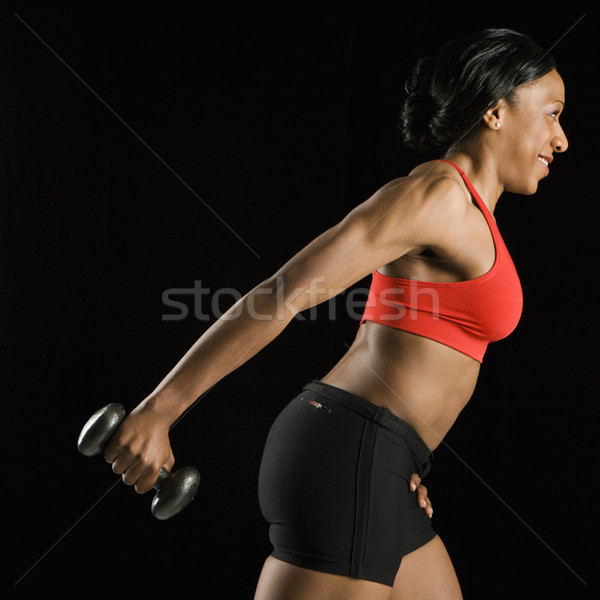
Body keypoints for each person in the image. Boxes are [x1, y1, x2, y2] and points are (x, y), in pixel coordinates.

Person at [103, 28, 568, 599]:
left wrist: (399, 462)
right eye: (552, 114)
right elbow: (285, 292)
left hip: (380, 458)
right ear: (497, 111)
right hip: (352, 449)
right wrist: (159, 411)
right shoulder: (437, 197)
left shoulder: (470, 212)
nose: (561, 138)